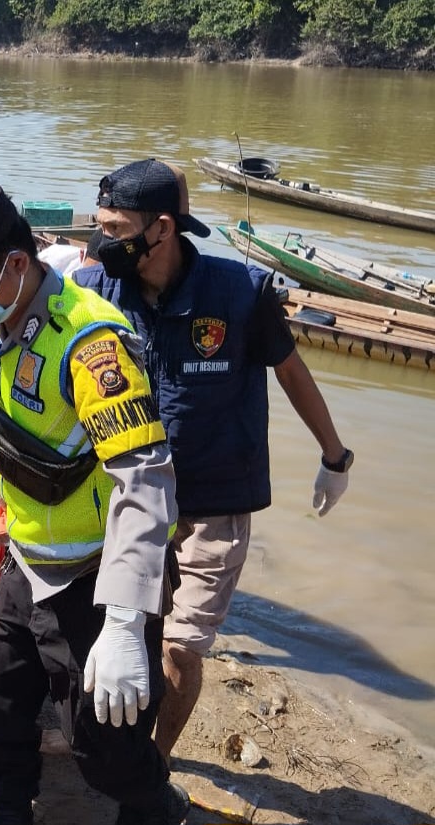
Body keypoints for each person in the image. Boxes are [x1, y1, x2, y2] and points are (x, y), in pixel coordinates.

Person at [0, 184, 190, 825]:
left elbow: (144, 481)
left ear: (14, 261)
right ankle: (7, 812)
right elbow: (4, 423)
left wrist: (124, 620)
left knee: (105, 745)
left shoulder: (91, 344)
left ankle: (156, 808)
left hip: (95, 578)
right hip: (26, 562)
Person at [72, 159, 351, 762]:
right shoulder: (96, 291)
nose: (104, 241)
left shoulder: (239, 292)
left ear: (164, 229)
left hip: (215, 503)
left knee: (179, 648)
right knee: (119, 628)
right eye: (102, 226)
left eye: (118, 228)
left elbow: (291, 373)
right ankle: (106, 744)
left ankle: (156, 762)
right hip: (127, 498)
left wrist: (334, 456)